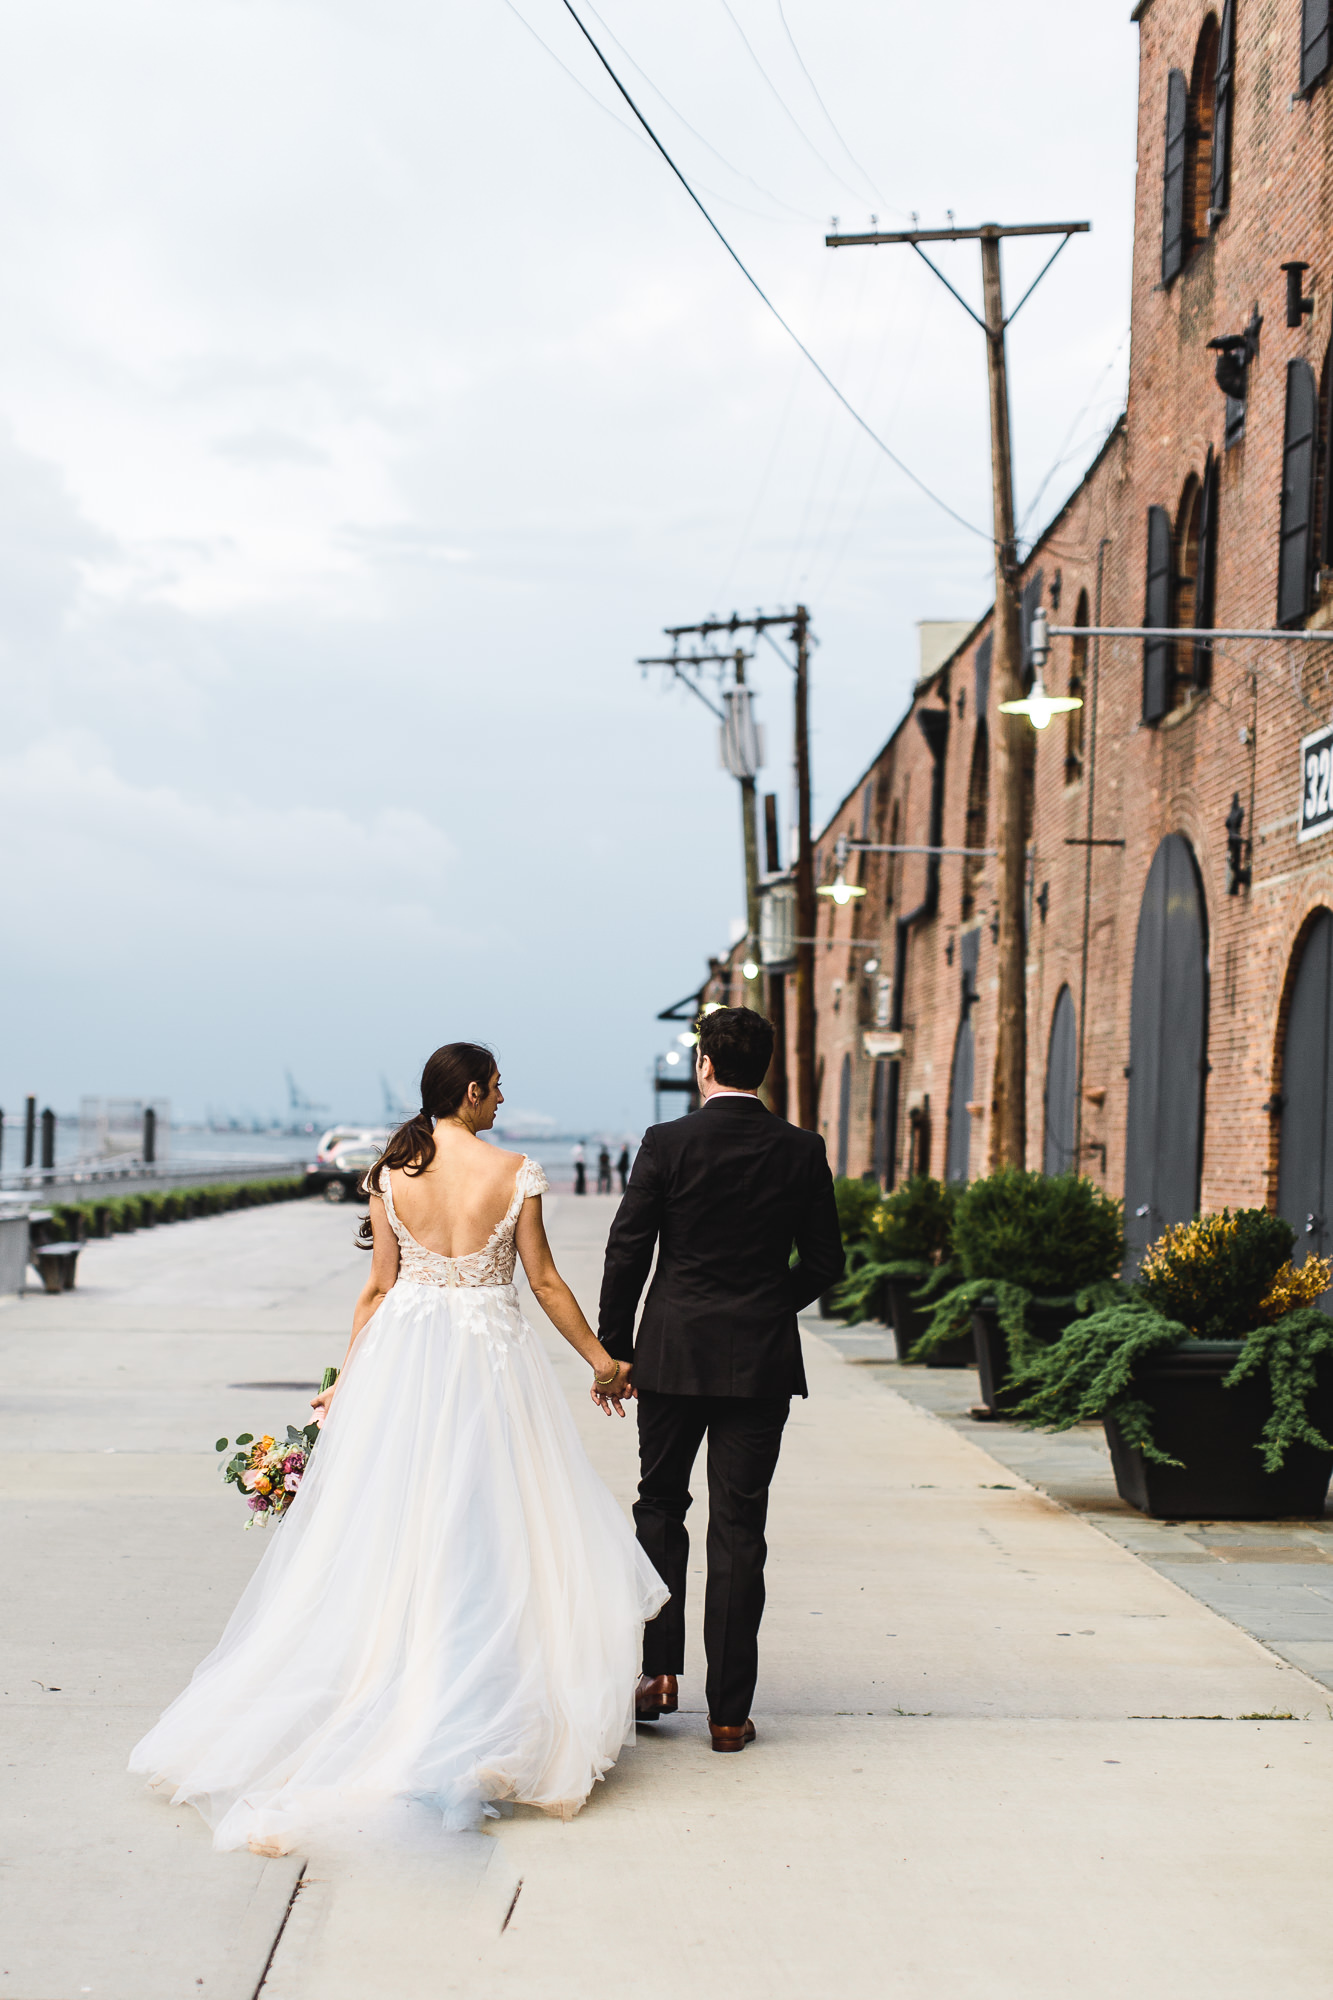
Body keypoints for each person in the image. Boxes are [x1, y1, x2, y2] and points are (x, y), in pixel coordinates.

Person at [130, 1043, 666, 1853]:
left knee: (397, 1521)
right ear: (474, 1092)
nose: (501, 1101)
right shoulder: (514, 1171)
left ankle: (402, 1678)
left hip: (407, 1355)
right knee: (495, 1525)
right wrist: (601, 1362)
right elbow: (545, 1282)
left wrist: (348, 1383)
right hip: (487, 1355)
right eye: (495, 1089)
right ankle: (477, 1692)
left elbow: (378, 1287)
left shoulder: (390, 1173)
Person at [598, 1006, 842, 1753]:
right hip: (759, 1363)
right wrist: (769, 1305)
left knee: (660, 1505)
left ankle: (659, 1672)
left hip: (671, 1356)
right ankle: (729, 1715)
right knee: (740, 1531)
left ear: (703, 1064)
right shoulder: (800, 1149)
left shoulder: (667, 1142)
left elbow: (627, 1250)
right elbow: (827, 1265)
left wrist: (617, 1349)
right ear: (763, 1066)